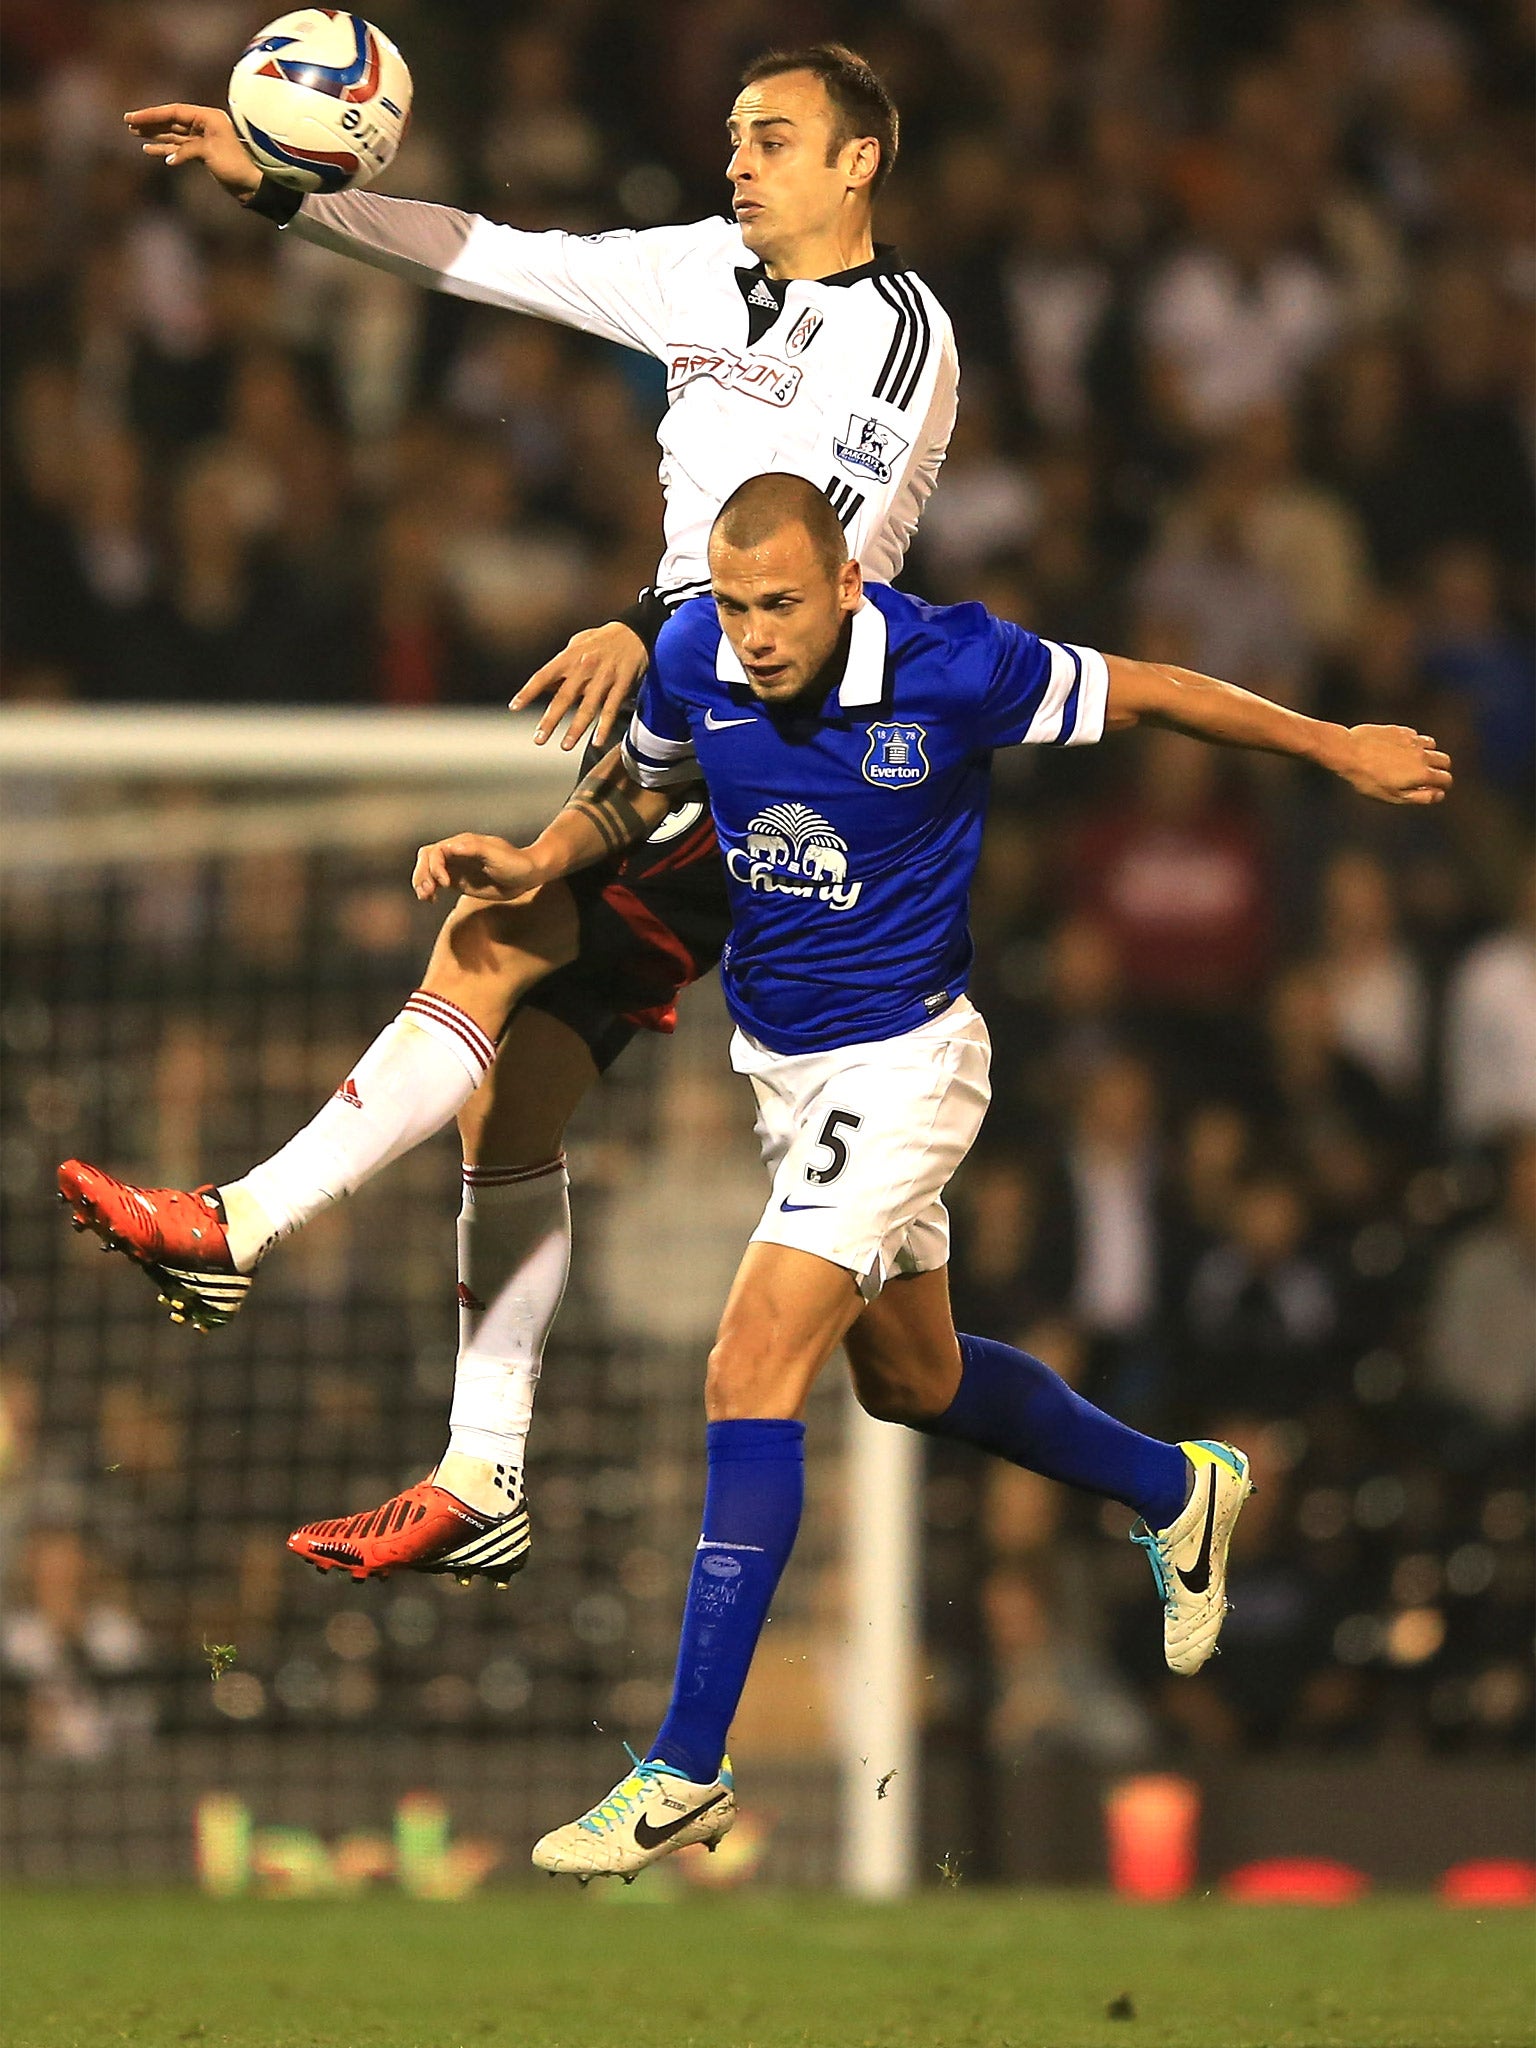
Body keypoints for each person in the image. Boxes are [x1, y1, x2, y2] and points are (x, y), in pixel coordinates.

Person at [403, 471, 1450, 1877]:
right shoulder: (691, 654)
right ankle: (1175, 1488)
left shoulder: (960, 662)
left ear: (847, 586)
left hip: (906, 1066)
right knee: (915, 1380)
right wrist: (537, 857)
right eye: (732, 604)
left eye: (781, 605)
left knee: (749, 1363)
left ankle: (681, 1767)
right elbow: (641, 786)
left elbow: (1145, 691)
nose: (754, 635)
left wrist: (1331, 746)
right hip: (786, 1074)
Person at [56, 46, 958, 1587]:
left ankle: (240, 1230)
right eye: (732, 133)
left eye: (776, 137)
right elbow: (481, 250)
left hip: (788, 737)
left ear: (859, 161)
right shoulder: (691, 271)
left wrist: (645, 619)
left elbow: (817, 564)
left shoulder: (900, 335)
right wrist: (279, 187)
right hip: (696, 710)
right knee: (537, 1102)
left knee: (491, 941)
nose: (738, 160)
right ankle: (481, 1471)